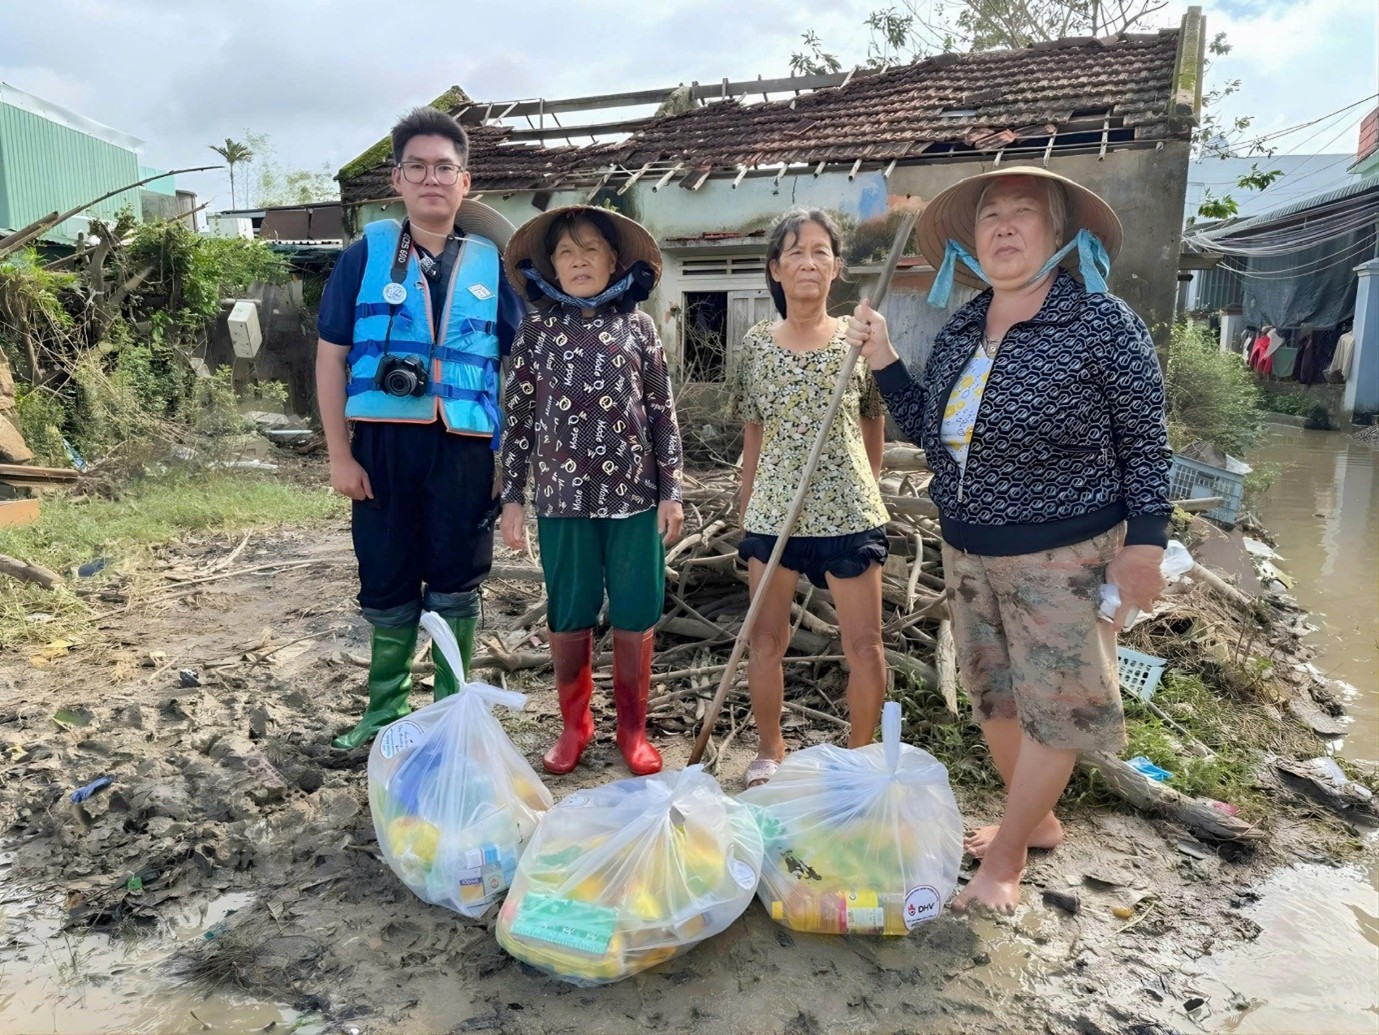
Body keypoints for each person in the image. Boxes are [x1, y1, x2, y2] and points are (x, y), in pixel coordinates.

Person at [846, 167, 1171, 912]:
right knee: (994, 695)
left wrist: (1145, 541)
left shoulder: (1100, 322)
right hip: (968, 547)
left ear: (1059, 236)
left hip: (1065, 549)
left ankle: (1005, 864)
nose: (1003, 226)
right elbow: (931, 430)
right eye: (990, 215)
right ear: (972, 241)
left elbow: (1146, 439)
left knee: (1055, 705)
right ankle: (1038, 820)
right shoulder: (964, 324)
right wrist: (885, 359)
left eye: (1023, 214)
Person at [316, 108, 526, 750]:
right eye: (418, 167)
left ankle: (452, 715)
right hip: (380, 447)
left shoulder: (496, 265)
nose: (431, 179)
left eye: (445, 168)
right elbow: (330, 356)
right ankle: (384, 712)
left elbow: (519, 372)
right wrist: (339, 456)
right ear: (398, 179)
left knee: (458, 580)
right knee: (386, 575)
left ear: (466, 182)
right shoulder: (365, 255)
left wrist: (508, 465)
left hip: (463, 447)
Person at [498, 205, 684, 776]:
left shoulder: (640, 328)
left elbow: (661, 412)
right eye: (565, 253)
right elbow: (520, 418)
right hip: (561, 498)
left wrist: (671, 489)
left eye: (590, 250)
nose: (578, 262)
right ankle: (575, 726)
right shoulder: (536, 331)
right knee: (569, 611)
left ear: (614, 260)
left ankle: (633, 730)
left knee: (634, 608)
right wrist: (511, 497)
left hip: (635, 495)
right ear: (551, 267)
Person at [729, 209, 890, 790]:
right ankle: (771, 749)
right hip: (774, 515)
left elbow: (873, 423)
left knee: (864, 644)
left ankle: (858, 758)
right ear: (775, 268)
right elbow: (753, 430)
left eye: (821, 252)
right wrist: (748, 504)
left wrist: (866, 486)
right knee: (766, 641)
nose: (808, 262)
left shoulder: (859, 338)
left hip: (848, 513)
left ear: (837, 268)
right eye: (795, 252)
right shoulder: (754, 346)